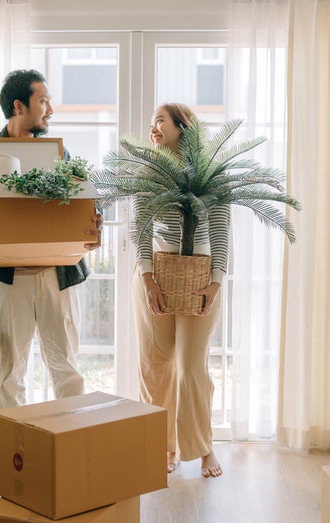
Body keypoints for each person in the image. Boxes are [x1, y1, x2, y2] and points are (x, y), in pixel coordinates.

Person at [0, 69, 102, 410]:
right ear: (19, 105)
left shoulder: (60, 155)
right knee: (9, 375)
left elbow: (81, 202)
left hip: (57, 277)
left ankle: (71, 453)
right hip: (6, 280)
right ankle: (18, 458)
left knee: (67, 369)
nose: (50, 110)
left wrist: (90, 221)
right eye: (43, 101)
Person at [132, 103, 228, 478]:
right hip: (155, 275)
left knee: (191, 367)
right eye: (151, 120)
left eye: (160, 120)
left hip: (201, 278)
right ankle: (165, 446)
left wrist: (216, 282)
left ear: (181, 127)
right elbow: (139, 229)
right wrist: (147, 279)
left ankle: (204, 449)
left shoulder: (209, 175)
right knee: (156, 366)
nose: (153, 126)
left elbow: (221, 232)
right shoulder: (148, 172)